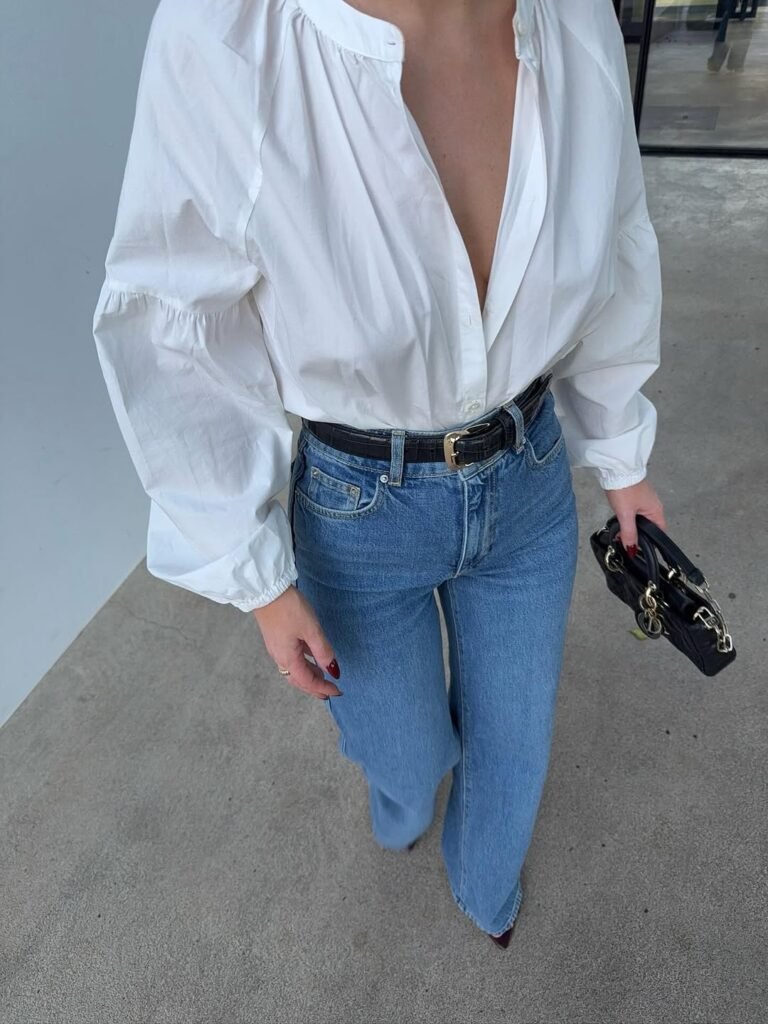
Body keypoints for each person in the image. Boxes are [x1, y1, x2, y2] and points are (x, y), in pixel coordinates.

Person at [92, 0, 667, 948]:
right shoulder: (229, 34)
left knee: (514, 743)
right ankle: (405, 791)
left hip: (525, 475)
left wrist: (621, 454)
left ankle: (486, 887)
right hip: (360, 505)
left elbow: (618, 234)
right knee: (401, 744)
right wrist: (255, 576)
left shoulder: (574, 21)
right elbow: (170, 323)